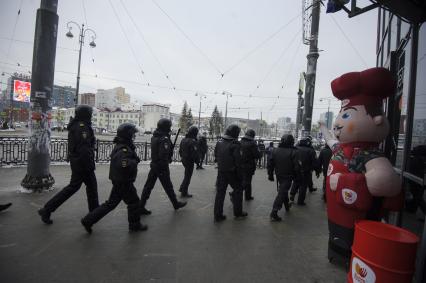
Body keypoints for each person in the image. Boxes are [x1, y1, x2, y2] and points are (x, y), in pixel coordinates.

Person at [81, 123, 148, 233]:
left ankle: (88, 220)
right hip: (124, 181)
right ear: (127, 135)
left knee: (110, 204)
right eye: (132, 135)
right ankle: (134, 225)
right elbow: (123, 164)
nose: (134, 137)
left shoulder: (123, 146)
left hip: (120, 180)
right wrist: (134, 161)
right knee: (134, 202)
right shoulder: (124, 149)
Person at [38, 105, 99, 224]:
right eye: (90, 113)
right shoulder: (82, 127)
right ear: (85, 114)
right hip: (83, 164)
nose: (91, 115)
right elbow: (84, 149)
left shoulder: (78, 125)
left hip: (78, 162)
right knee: (76, 188)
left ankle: (95, 212)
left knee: (88, 187)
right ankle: (47, 209)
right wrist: (89, 165)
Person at [139, 118, 186, 214]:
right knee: (168, 186)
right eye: (169, 126)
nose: (170, 128)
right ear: (166, 127)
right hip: (161, 167)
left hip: (154, 165)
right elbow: (163, 155)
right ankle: (175, 204)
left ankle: (141, 206)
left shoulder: (155, 136)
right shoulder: (164, 139)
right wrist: (168, 158)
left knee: (148, 187)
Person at [213, 124, 247, 222]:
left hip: (221, 171)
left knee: (220, 193)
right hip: (232, 172)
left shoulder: (219, 142)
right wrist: (240, 176)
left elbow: (216, 155)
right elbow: (238, 162)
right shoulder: (235, 144)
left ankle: (217, 215)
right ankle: (238, 212)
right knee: (238, 190)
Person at [268, 134, 299, 221]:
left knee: (283, 190)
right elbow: (297, 167)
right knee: (282, 192)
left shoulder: (275, 150)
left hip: (279, 175)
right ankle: (274, 211)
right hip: (288, 176)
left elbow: (270, 164)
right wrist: (298, 177)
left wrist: (270, 175)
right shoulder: (294, 152)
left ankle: (287, 206)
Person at [289, 138, 317, 205]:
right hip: (306, 171)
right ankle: (300, 201)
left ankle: (292, 195)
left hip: (296, 170)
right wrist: (313, 169)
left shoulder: (295, 148)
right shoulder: (311, 150)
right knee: (303, 186)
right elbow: (314, 162)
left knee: (295, 182)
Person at [240, 129, 261, 201]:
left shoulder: (241, 141)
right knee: (248, 181)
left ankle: (248, 196)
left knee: (245, 180)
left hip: (241, 164)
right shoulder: (253, 143)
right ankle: (235, 193)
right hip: (249, 165)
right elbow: (257, 155)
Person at [179, 126, 199, 198]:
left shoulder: (184, 139)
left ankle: (182, 188)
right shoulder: (193, 141)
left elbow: (180, 151)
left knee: (186, 175)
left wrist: (182, 157)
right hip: (189, 161)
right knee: (188, 177)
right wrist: (197, 162)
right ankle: (184, 192)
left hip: (184, 160)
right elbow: (195, 153)